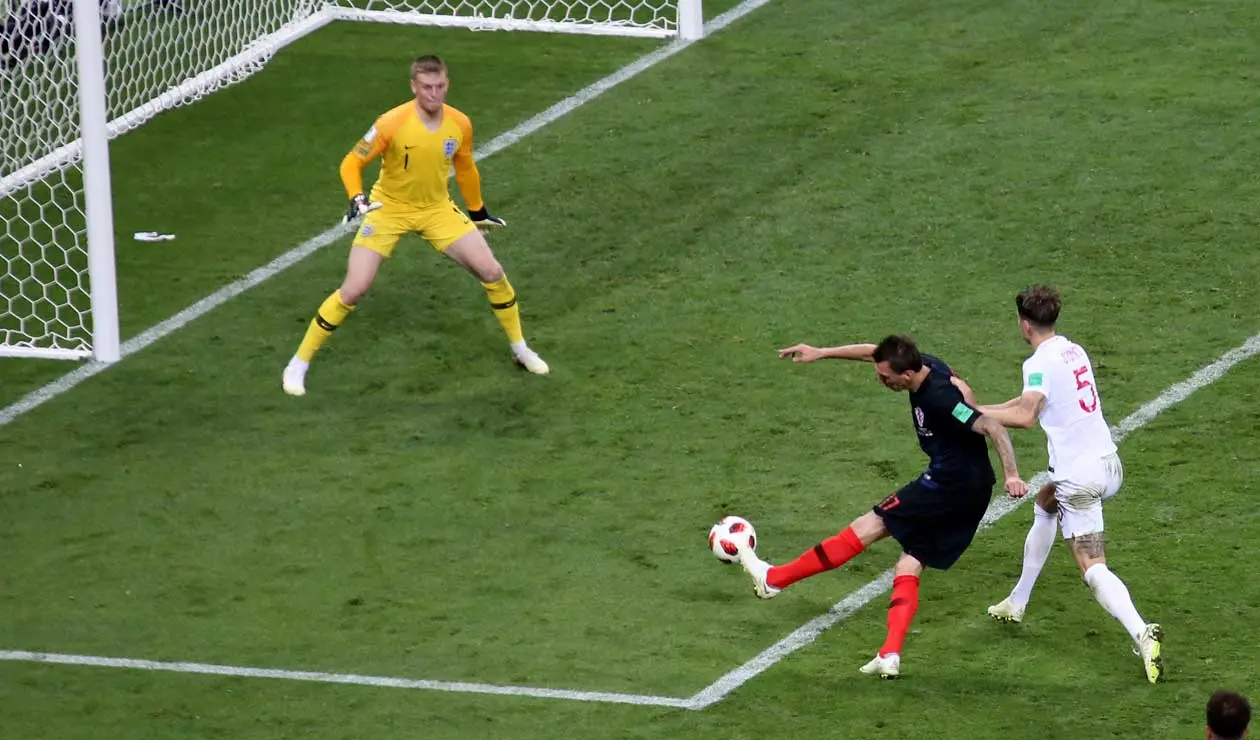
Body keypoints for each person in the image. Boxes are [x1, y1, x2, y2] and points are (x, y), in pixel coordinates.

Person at [734, 335, 1029, 679]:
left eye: (886, 379)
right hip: (974, 490)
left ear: (906, 376)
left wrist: (1013, 474)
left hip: (948, 485)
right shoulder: (922, 363)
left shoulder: (940, 397)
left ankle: (774, 579)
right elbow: (870, 353)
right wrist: (822, 352)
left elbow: (990, 424)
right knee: (911, 560)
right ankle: (889, 654)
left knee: (871, 524)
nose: (881, 381)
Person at [282, 54, 548, 396]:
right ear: (414, 87)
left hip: (436, 209)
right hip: (389, 210)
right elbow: (351, 162)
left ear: (447, 84)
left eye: (439, 87)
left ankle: (521, 350)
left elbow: (465, 167)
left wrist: (478, 211)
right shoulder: (391, 123)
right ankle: (298, 365)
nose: (434, 94)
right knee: (354, 288)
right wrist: (356, 197)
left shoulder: (460, 123)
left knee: (492, 272)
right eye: (426, 88)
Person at [978, 285, 1163, 683]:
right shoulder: (1072, 349)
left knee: (1093, 569)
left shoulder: (1037, 363)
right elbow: (1028, 400)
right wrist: (973, 412)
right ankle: (1017, 601)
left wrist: (970, 415)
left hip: (1079, 481)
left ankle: (1141, 632)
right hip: (1108, 465)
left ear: (1024, 325)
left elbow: (1027, 416)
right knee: (1045, 502)